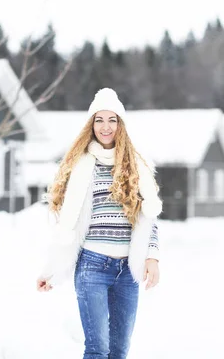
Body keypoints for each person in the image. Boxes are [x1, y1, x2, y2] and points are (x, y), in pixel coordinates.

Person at [36, 88, 163, 359]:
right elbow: (66, 225)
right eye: (99, 120)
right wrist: (51, 270)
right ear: (91, 124)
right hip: (92, 266)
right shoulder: (81, 165)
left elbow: (148, 217)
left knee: (118, 351)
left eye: (112, 120)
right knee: (97, 349)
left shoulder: (137, 166)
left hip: (127, 271)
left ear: (121, 125)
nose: (106, 127)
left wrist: (152, 256)